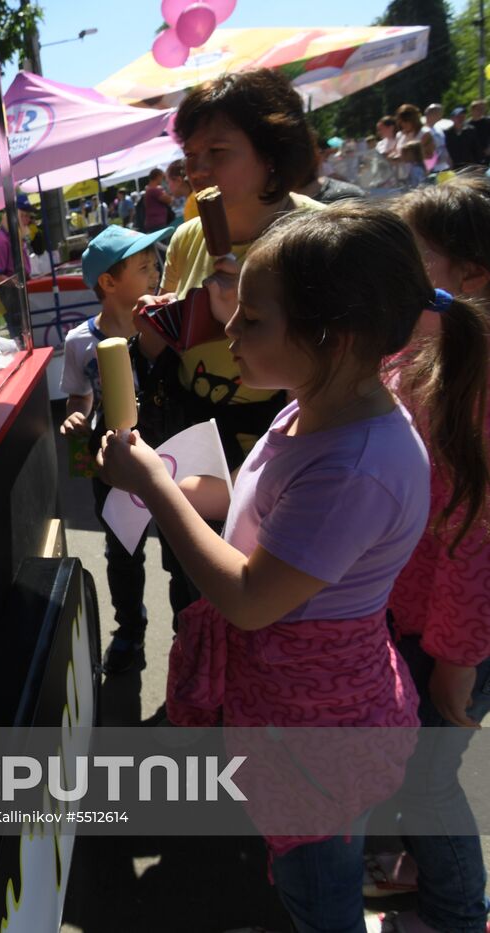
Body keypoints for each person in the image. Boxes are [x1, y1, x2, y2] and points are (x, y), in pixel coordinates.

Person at [100, 201, 484, 933]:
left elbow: (248, 597)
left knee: (318, 891)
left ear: (330, 338)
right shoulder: (316, 405)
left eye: (252, 320)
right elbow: (259, 505)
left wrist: (153, 486)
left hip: (316, 729)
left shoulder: (357, 463)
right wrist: (156, 480)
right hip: (310, 714)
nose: (228, 332)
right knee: (317, 863)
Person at [134, 67, 324, 622]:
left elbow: (336, 362)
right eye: (191, 155)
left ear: (270, 154)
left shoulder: (317, 235)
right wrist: (157, 327)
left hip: (283, 435)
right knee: (191, 580)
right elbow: (160, 351)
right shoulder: (189, 235)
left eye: (218, 152)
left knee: (265, 598)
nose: (198, 171)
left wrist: (243, 311)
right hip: (194, 429)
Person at [370, 172, 490, 933]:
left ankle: (457, 914)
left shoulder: (475, 384)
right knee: (409, 769)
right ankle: (423, 868)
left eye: (411, 267)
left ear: (472, 276)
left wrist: (455, 655)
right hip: (410, 616)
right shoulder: (416, 352)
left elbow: (472, 536)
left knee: (426, 779)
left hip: (454, 633)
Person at [60, 225, 168, 675]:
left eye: (154, 263)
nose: (156, 271)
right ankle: (129, 631)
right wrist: (75, 417)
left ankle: (192, 629)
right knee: (123, 551)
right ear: (108, 281)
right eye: (144, 267)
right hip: (116, 458)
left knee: (181, 549)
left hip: (168, 447)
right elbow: (79, 395)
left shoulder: (165, 320)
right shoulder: (80, 341)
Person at [0, 198, 33, 345]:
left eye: (28, 216)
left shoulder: (15, 236)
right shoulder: (1, 240)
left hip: (20, 290)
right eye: (25, 216)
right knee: (21, 337)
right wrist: (16, 283)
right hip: (12, 295)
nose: (28, 220)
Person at [395, 104, 437, 174]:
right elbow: (396, 152)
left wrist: (407, 157)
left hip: (420, 173)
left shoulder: (424, 133)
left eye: (406, 121)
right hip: (402, 175)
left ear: (414, 120)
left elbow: (430, 155)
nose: (403, 124)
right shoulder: (399, 135)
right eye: (401, 121)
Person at [138, 168, 173, 233]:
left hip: (154, 223)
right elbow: (169, 200)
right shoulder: (153, 190)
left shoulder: (149, 189)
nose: (162, 180)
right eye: (162, 177)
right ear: (158, 176)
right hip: (157, 223)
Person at [422, 103, 452, 172]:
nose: (441, 115)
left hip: (443, 167)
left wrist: (449, 161)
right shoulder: (423, 131)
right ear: (431, 114)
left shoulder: (439, 129)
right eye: (439, 112)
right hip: (431, 168)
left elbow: (444, 147)